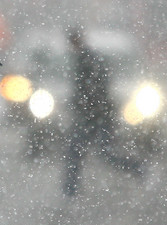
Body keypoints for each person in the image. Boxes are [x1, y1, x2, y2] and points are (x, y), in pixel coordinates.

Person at [61, 27, 143, 196]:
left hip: (96, 117)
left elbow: (95, 90)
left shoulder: (88, 60)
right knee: (82, 153)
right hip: (94, 116)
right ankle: (70, 190)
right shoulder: (84, 59)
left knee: (96, 153)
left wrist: (86, 106)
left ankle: (138, 168)